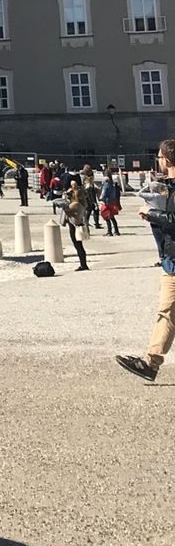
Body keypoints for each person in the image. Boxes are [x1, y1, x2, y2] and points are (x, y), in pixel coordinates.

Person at [116, 138, 175, 382]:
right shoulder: (168, 187)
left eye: (159, 157)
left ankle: (151, 363)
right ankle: (150, 363)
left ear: (167, 160)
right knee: (167, 312)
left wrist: (152, 213)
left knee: (167, 311)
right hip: (171, 259)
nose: (158, 161)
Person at [63, 177, 90, 271]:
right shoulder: (80, 202)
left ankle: (83, 264)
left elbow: (68, 210)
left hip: (75, 224)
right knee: (78, 245)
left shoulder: (76, 204)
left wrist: (65, 202)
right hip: (75, 223)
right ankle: (83, 264)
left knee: (78, 244)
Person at [100, 170, 122, 238]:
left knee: (106, 216)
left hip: (107, 202)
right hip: (112, 202)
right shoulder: (112, 184)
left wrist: (101, 199)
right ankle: (116, 231)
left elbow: (103, 194)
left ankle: (109, 231)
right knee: (112, 217)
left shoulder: (106, 185)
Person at [82, 164, 101, 229]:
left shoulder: (85, 183)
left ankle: (86, 222)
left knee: (88, 211)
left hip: (86, 199)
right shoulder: (90, 185)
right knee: (96, 211)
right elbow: (92, 195)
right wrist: (95, 203)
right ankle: (96, 224)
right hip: (91, 200)